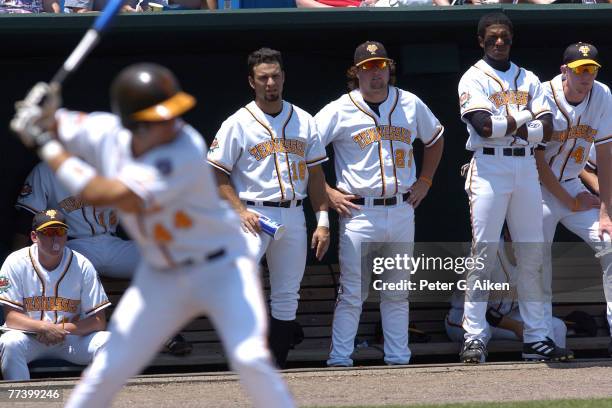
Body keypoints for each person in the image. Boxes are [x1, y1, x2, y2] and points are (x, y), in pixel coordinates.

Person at [10, 63, 294, 407]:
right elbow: (60, 122)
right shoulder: (106, 130)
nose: (171, 122)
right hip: (162, 275)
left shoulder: (182, 149)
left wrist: (44, 142)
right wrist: (43, 111)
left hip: (221, 268)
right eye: (159, 117)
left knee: (250, 359)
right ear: (133, 122)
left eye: (171, 112)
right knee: (110, 368)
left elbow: (104, 193)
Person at [315, 40, 444, 367]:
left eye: (381, 66)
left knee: (398, 292)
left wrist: (426, 180)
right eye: (368, 68)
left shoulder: (410, 103)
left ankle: (399, 359)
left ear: (389, 69)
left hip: (402, 208)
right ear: (356, 73)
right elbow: (304, 152)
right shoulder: (339, 108)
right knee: (353, 293)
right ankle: (340, 359)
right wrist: (327, 192)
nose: (376, 74)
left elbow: (436, 138)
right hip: (359, 211)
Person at [457, 12, 573, 363]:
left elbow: (549, 131)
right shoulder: (472, 77)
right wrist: (524, 118)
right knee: (484, 252)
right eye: (492, 37)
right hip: (490, 166)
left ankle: (537, 337)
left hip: (524, 166)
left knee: (532, 253)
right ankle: (474, 336)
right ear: (481, 40)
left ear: (511, 38)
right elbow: (484, 128)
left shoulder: (530, 78)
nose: (499, 42)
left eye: (504, 36)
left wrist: (509, 123)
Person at [207, 47, 330, 368]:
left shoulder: (303, 119)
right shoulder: (237, 122)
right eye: (263, 77)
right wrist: (238, 210)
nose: (270, 83)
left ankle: (276, 364)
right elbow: (215, 171)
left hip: (293, 212)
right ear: (252, 81)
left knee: (287, 294)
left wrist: (323, 221)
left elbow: (316, 175)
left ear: (284, 78)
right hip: (252, 212)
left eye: (275, 76)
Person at [14, 162, 194, 356]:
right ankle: (76, 335)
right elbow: (26, 218)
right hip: (74, 244)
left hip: (111, 243)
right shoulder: (48, 170)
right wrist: (19, 260)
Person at [537, 43, 612, 358]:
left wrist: (606, 210)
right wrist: (568, 200)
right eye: (580, 69)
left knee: (609, 243)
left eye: (591, 69)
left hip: (572, 186)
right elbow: (536, 158)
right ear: (564, 70)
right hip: (537, 187)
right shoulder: (541, 94)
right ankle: (539, 340)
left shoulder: (603, 95)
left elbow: (606, 155)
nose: (586, 76)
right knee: (536, 261)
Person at [0, 209, 110, 381]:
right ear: (34, 236)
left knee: (107, 341)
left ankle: (93, 399)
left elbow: (98, 321)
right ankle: (21, 400)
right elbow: (12, 317)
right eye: (49, 232)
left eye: (60, 232)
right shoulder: (15, 262)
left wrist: (59, 329)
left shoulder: (82, 264)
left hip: (69, 339)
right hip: (31, 338)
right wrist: (43, 327)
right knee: (9, 343)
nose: (55, 238)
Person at [446, 227, 567, 347]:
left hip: (508, 317)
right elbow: (481, 311)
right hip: (464, 318)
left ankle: (548, 363)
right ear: (508, 235)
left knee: (557, 327)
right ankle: (473, 363)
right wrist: (516, 327)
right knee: (481, 331)